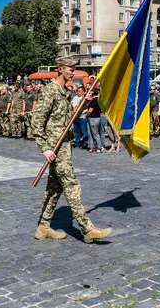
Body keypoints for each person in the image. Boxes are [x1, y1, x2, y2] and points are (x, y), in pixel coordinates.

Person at [31, 57, 111, 243]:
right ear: (60, 69)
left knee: (54, 187)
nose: (73, 73)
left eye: (74, 69)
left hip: (65, 144)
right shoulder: (49, 91)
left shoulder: (65, 92)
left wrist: (84, 102)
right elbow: (36, 122)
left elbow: (70, 117)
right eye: (70, 69)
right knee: (70, 183)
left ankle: (43, 226)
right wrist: (45, 148)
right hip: (55, 148)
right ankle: (87, 228)